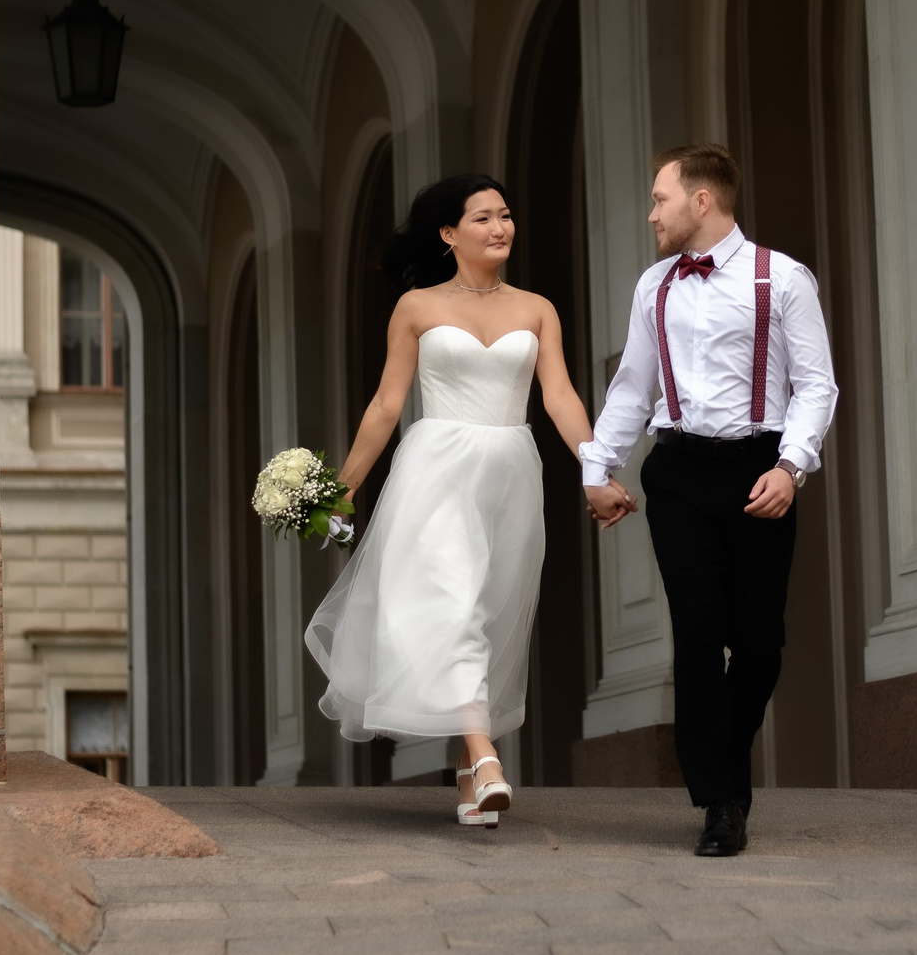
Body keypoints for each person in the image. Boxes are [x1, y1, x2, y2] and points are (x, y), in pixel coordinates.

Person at [304, 173, 621, 828]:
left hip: (512, 468)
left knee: (488, 611)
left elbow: (560, 397)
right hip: (436, 469)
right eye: (482, 218)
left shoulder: (537, 309)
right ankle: (484, 759)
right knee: (449, 601)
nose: (499, 228)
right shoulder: (416, 307)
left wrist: (597, 471)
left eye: (505, 215)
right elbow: (387, 404)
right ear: (448, 234)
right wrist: (346, 487)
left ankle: (466, 772)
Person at [580, 143, 839, 856]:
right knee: (697, 636)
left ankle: (720, 759)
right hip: (680, 474)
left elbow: (817, 385)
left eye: (660, 199)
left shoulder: (781, 278)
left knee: (758, 643)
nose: (650, 213)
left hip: (761, 470)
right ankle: (719, 803)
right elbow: (632, 388)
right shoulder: (652, 286)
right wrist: (597, 470)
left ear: (702, 200)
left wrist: (792, 467)